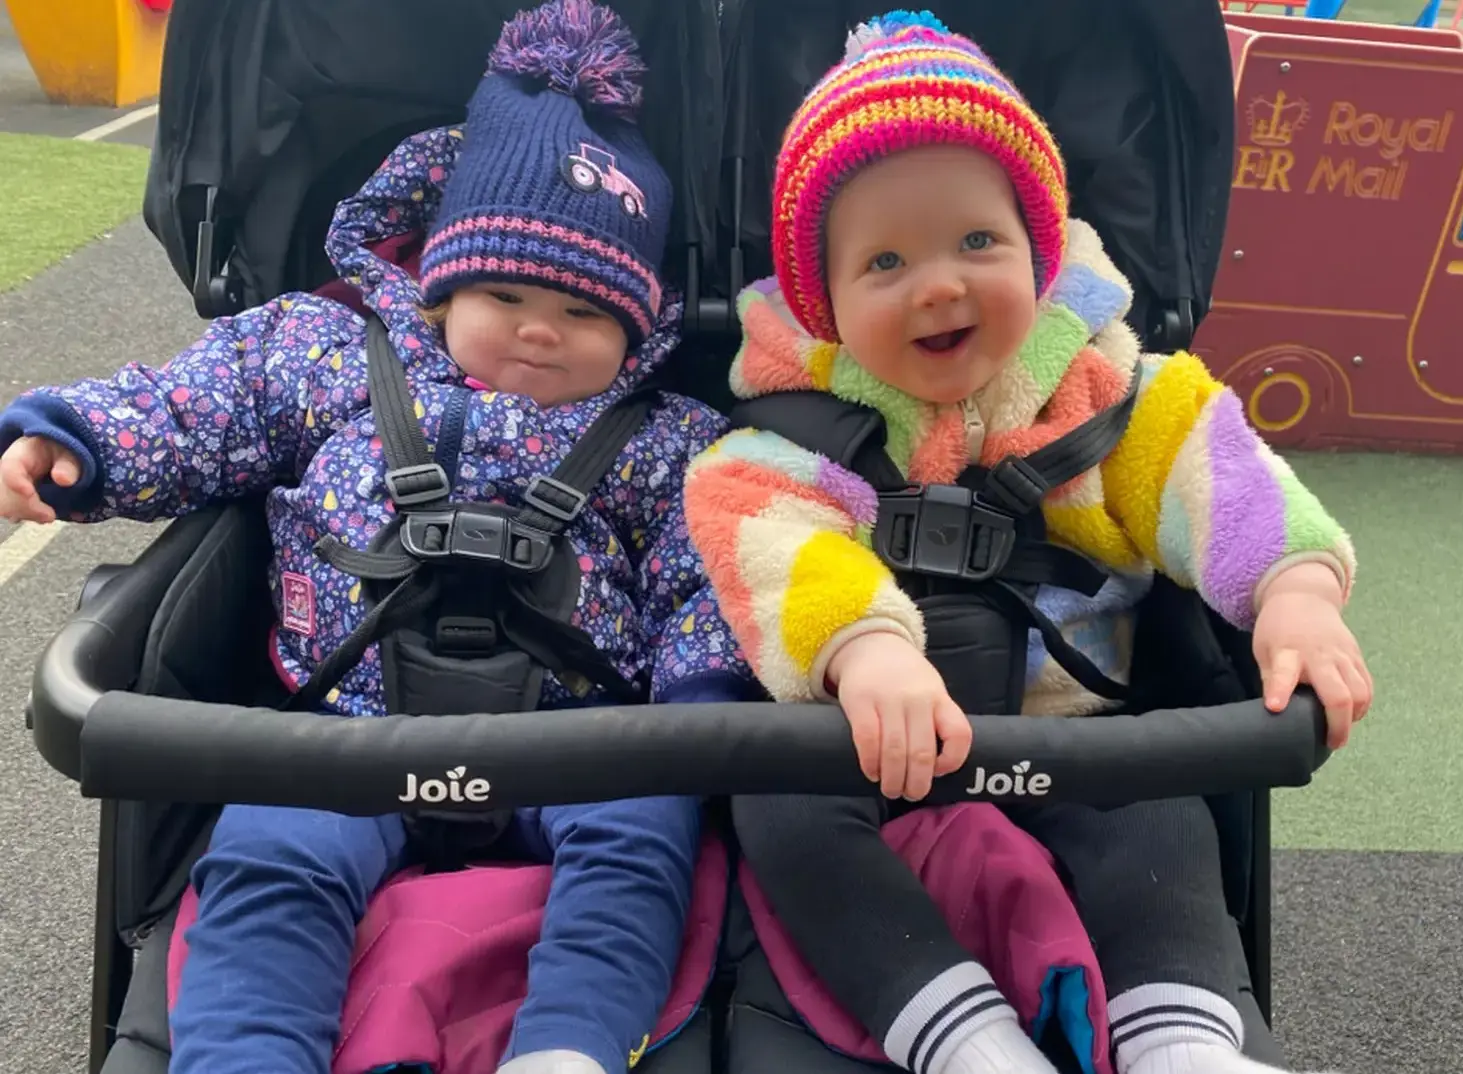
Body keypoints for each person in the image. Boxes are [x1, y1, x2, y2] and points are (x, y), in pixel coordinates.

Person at [0, 4, 752, 1074]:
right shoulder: (327, 355)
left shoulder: (671, 440)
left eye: (586, 315)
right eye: (504, 294)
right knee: (267, 852)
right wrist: (73, 443)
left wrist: (696, 714)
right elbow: (192, 403)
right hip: (345, 734)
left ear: (639, 330)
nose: (541, 331)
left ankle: (571, 1045)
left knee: (642, 841)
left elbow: (704, 582)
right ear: (440, 286)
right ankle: (250, 1054)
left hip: (581, 746)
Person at [683, 11, 1370, 1074]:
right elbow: (767, 536)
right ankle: (961, 1034)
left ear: (1039, 250)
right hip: (873, 753)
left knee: (1165, 815)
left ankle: (1181, 1034)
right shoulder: (789, 434)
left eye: (977, 242)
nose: (940, 283)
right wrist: (862, 647)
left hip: (1079, 738)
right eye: (884, 262)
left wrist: (1294, 589)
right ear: (822, 301)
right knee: (778, 810)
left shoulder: (1108, 392)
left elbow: (1215, 474)